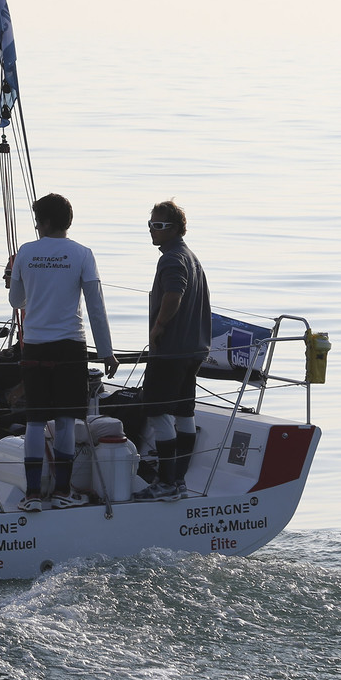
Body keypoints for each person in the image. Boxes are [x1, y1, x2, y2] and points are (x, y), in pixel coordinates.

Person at [7, 193, 119, 512]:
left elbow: (16, 301)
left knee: (34, 420)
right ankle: (62, 491)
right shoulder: (83, 254)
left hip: (35, 345)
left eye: (37, 221)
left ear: (44, 222)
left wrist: (23, 282)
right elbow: (95, 307)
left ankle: (32, 494)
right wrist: (107, 352)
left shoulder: (25, 253)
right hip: (70, 346)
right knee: (66, 420)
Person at [134, 199, 211, 499]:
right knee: (184, 412)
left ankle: (166, 483)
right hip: (193, 351)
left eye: (158, 225)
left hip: (171, 351)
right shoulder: (191, 257)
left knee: (157, 412)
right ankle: (178, 480)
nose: (151, 230)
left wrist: (159, 326)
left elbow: (174, 293)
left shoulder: (172, 259)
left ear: (176, 228)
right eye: (150, 224)